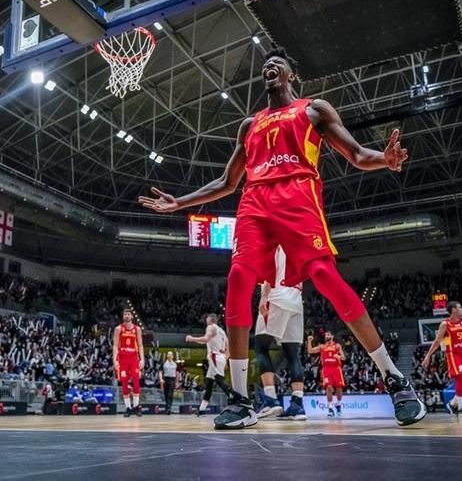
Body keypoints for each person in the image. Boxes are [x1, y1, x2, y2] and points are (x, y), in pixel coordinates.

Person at [139, 46, 423, 429]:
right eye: (266, 65)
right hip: (255, 201)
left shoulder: (313, 110)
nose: (269, 66)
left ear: (290, 74)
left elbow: (355, 154)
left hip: (298, 195)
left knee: (325, 277)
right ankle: (241, 401)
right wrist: (180, 204)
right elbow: (227, 182)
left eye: (278, 63)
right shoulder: (249, 124)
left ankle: (395, 378)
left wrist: (384, 159)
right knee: (239, 279)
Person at [254, 247, 307, 420]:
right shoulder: (299, 244)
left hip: (276, 297)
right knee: (292, 354)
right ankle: (297, 405)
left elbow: (269, 269)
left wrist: (264, 297)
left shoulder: (274, 241)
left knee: (261, 347)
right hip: (296, 300)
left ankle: (271, 400)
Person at [186, 314, 233, 416]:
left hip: (215, 357)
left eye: (206, 318)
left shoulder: (211, 327)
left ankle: (234, 398)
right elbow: (229, 348)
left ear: (210, 319)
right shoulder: (222, 332)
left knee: (219, 380)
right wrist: (225, 359)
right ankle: (202, 409)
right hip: (221, 357)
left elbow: (206, 339)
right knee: (209, 384)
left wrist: (192, 339)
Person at [113, 308, 144, 417]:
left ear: (132, 316)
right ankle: (128, 408)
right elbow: (115, 345)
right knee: (124, 383)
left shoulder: (137, 329)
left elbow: (140, 345)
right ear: (123, 316)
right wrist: (114, 360)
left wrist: (142, 359)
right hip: (122, 358)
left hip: (134, 358)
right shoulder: (118, 329)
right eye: (125, 314)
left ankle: (136, 406)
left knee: (136, 382)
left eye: (128, 314)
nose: (127, 316)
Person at [307, 331, 346, 417]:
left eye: (328, 334)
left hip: (336, 369)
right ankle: (330, 408)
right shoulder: (322, 346)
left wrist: (338, 356)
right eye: (325, 335)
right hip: (326, 369)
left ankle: (338, 404)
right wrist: (309, 341)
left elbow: (344, 357)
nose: (326, 336)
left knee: (339, 388)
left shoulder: (337, 346)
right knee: (328, 387)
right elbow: (310, 351)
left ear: (332, 336)